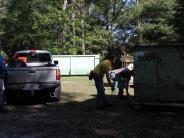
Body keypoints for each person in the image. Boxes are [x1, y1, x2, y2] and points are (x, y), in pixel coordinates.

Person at [0, 45, 8, 113]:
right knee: (1, 92)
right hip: (0, 77)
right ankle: (0, 107)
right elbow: (3, 67)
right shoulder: (1, 58)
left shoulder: (1, 57)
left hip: (1, 77)